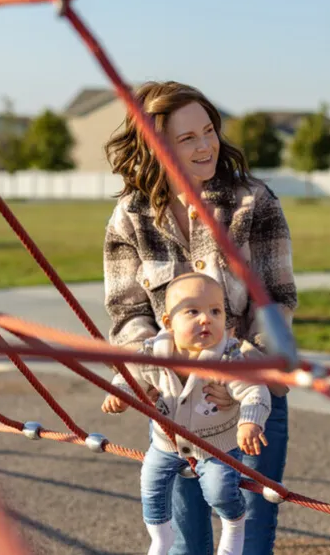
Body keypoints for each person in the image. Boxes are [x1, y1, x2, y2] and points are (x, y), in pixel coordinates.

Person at [102, 81, 296, 555]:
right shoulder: (130, 218)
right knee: (187, 544)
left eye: (208, 130)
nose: (206, 145)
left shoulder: (254, 202)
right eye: (187, 138)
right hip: (175, 405)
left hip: (251, 398)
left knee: (249, 540)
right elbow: (128, 313)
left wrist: (239, 374)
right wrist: (151, 372)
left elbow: (277, 299)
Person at [102, 272, 272, 555]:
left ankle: (234, 526)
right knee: (150, 482)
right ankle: (160, 538)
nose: (206, 319)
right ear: (168, 322)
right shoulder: (153, 352)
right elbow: (130, 377)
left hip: (216, 446)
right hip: (166, 443)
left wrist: (249, 423)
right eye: (193, 311)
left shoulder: (228, 359)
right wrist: (119, 395)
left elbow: (255, 391)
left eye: (215, 311)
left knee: (219, 490)